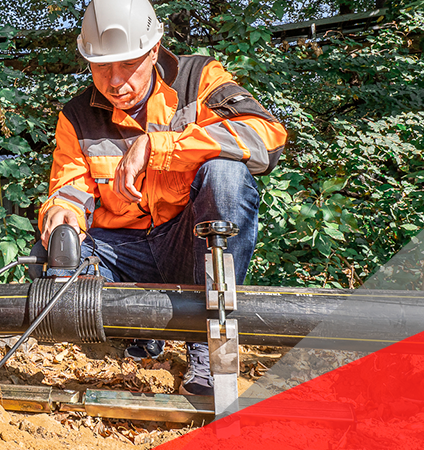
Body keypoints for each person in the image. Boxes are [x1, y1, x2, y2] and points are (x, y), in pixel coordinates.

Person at [37, 0, 287, 396]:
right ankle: (138, 333)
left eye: (127, 64)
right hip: (122, 251)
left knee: (226, 175)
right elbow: (69, 186)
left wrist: (159, 147)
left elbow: (265, 138)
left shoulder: (198, 79)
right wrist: (63, 215)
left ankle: (208, 340)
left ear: (154, 51)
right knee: (52, 256)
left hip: (189, 244)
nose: (115, 81)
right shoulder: (77, 114)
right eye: (101, 67)